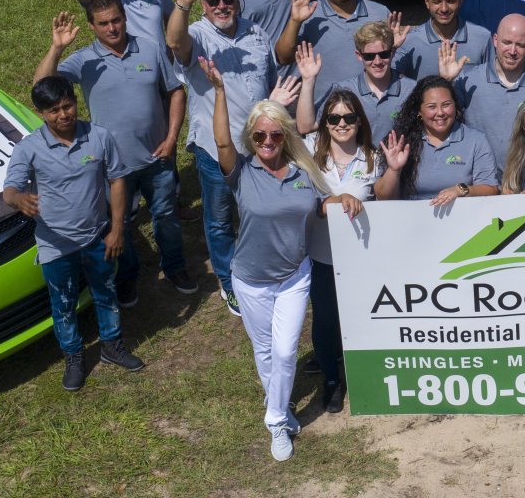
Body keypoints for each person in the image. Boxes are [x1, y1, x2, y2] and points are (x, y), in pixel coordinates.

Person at [207, 68, 362, 461]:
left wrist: (340, 200)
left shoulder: (303, 172)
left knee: (286, 351)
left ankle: (276, 420)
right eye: (259, 135)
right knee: (264, 351)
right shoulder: (241, 173)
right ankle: (280, 409)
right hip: (251, 280)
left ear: (285, 137)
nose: (267, 142)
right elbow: (222, 140)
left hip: (294, 275)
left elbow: (320, 205)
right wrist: (220, 91)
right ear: (252, 139)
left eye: (275, 134)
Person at [36, 0, 191, 304]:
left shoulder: (149, 48)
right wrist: (56, 49)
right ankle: (128, 277)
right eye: (103, 23)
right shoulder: (83, 61)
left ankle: (175, 267)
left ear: (124, 18)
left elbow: (174, 92)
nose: (112, 28)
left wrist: (172, 138)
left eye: (116, 20)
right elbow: (41, 85)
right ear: (92, 27)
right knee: (121, 224)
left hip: (157, 157)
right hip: (111, 166)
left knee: (167, 216)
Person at [2, 75, 141, 392]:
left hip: (98, 237)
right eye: (54, 110)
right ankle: (74, 357)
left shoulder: (100, 137)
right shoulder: (29, 149)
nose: (63, 115)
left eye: (68, 106)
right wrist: (18, 199)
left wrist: (117, 228)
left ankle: (112, 346)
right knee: (63, 304)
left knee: (105, 293)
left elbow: (118, 180)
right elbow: (9, 190)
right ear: (41, 113)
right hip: (56, 246)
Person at [167, 0, 282, 318]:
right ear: (204, 5)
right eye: (213, 1)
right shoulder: (197, 35)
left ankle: (262, 270)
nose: (221, 6)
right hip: (216, 149)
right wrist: (182, 4)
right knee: (218, 219)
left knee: (257, 212)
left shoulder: (256, 33)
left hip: (261, 147)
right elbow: (175, 41)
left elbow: (271, 79)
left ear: (238, 1)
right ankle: (229, 282)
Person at [303, 87, 381, 415]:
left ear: (360, 121)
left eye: (349, 117)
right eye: (333, 118)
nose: (342, 123)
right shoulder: (307, 151)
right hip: (322, 254)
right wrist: (330, 201)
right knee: (325, 320)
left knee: (363, 317)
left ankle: (364, 375)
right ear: (325, 123)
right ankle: (332, 380)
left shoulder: (374, 158)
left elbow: (387, 199)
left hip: (363, 257)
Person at [442, 12, 525, 169]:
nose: (512, 51)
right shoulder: (468, 81)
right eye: (507, 42)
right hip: (481, 182)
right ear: (495, 40)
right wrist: (445, 82)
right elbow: (440, 122)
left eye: (520, 45)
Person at [274, 0, 400, 103]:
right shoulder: (309, 15)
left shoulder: (380, 13)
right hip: (327, 111)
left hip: (372, 107)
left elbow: (391, 60)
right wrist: (295, 21)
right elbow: (283, 57)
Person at [373, 76, 502, 204]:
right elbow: (383, 197)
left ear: (455, 105)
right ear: (419, 111)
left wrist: (460, 190)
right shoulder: (400, 141)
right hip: (411, 220)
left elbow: (491, 190)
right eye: (432, 107)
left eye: (446, 105)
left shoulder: (476, 140)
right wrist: (394, 170)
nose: (440, 112)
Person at [299, 22, 415, 148]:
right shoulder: (343, 90)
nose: (377, 61)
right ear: (359, 56)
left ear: (392, 52)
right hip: (360, 166)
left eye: (384, 54)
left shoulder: (411, 89)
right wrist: (308, 80)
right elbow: (306, 127)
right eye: (369, 56)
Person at [394, 0, 491, 81]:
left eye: (450, 1)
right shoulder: (409, 42)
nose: (444, 9)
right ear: (427, 2)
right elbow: (389, 80)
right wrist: (390, 49)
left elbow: (492, 82)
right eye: (437, 2)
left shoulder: (482, 38)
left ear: (461, 1)